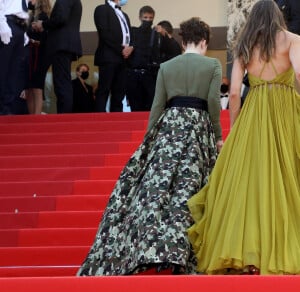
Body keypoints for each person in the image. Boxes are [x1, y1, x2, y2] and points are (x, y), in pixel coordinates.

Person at [77, 17, 223, 276]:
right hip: (198, 129)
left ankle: (153, 249)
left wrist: (148, 141)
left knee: (160, 192)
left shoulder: (167, 66)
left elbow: (157, 105)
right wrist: (218, 134)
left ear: (181, 40)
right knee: (193, 191)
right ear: (204, 41)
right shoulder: (212, 65)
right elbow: (213, 102)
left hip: (169, 128)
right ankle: (186, 253)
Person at [188, 0, 300, 275]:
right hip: (286, 111)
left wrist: (235, 127)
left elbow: (235, 92)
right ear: (278, 17)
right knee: (287, 176)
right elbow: (299, 73)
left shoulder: (245, 45)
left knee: (250, 183)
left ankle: (249, 253)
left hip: (254, 113)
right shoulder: (293, 39)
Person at [31, 0, 82, 113]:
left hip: (61, 46)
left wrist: (43, 24)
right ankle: (64, 116)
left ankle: (63, 117)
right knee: (63, 82)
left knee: (61, 84)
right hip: (66, 45)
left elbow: (60, 18)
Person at [126, 7, 181, 112]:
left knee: (151, 108)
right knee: (135, 108)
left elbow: (171, 49)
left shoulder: (156, 34)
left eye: (150, 18)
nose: (147, 20)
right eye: (145, 17)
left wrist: (164, 35)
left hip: (150, 76)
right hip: (134, 75)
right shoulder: (133, 32)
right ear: (140, 17)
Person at [93, 0, 133, 112]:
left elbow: (130, 34)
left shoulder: (124, 15)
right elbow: (104, 33)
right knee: (104, 90)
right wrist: (122, 49)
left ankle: (117, 122)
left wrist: (131, 48)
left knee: (119, 93)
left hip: (124, 59)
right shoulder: (101, 9)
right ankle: (99, 121)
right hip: (109, 56)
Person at [0, 0, 29, 115]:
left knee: (14, 71)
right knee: (3, 70)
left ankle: (7, 108)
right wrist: (2, 25)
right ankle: (1, 108)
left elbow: (22, 10)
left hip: (20, 26)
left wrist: (25, 32)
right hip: (7, 23)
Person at [26, 0, 51, 114]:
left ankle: (36, 116)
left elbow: (45, 38)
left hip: (39, 55)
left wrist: (33, 40)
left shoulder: (44, 17)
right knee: (29, 87)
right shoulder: (31, 15)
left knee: (36, 86)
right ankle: (31, 116)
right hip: (30, 55)